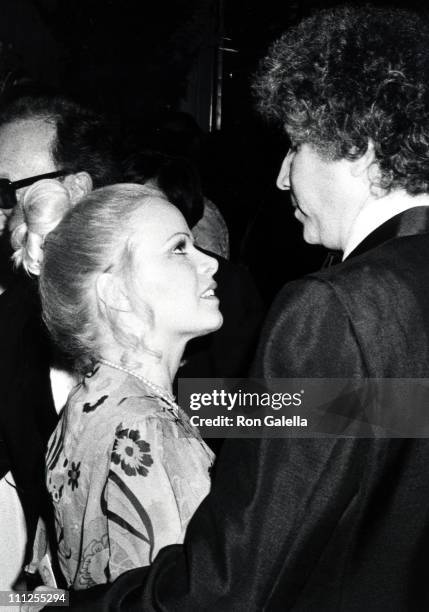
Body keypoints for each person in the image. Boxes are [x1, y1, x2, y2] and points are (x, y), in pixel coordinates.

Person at [57, 6, 429, 611]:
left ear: (358, 146)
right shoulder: (398, 294)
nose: (283, 177)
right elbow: (386, 414)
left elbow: (229, 584)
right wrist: (192, 404)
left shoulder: (338, 306)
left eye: (297, 145)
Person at [0, 93, 263, 588]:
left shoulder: (215, 294)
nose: (0, 207)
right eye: (180, 247)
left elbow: (289, 416)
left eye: (4, 187)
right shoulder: (8, 326)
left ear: (74, 185)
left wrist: (400, 407)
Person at [34, 182, 219, 589]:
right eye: (179, 248)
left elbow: (53, 593)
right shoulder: (147, 429)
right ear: (116, 293)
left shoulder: (85, 404)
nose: (211, 263)